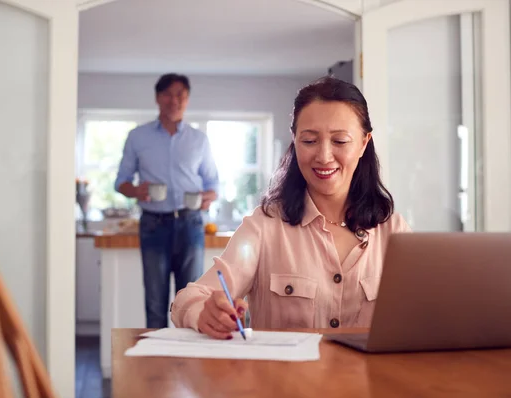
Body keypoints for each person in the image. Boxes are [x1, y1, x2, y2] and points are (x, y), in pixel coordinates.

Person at [170, 76, 410, 339]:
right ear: (294, 141)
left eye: (340, 141)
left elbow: (424, 315)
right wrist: (204, 312)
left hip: (370, 380)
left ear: (364, 143)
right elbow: (188, 298)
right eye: (309, 141)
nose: (324, 156)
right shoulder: (265, 226)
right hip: (283, 380)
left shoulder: (393, 231)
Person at [115, 73, 219, 328]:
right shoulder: (137, 137)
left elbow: (213, 185)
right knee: (155, 302)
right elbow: (121, 182)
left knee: (192, 300)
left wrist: (207, 197)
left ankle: (189, 364)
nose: (175, 101)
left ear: (187, 100)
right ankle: (157, 366)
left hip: (190, 222)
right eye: (169, 95)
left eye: (180, 95)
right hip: (153, 224)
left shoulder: (199, 139)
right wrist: (136, 191)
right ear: (158, 98)